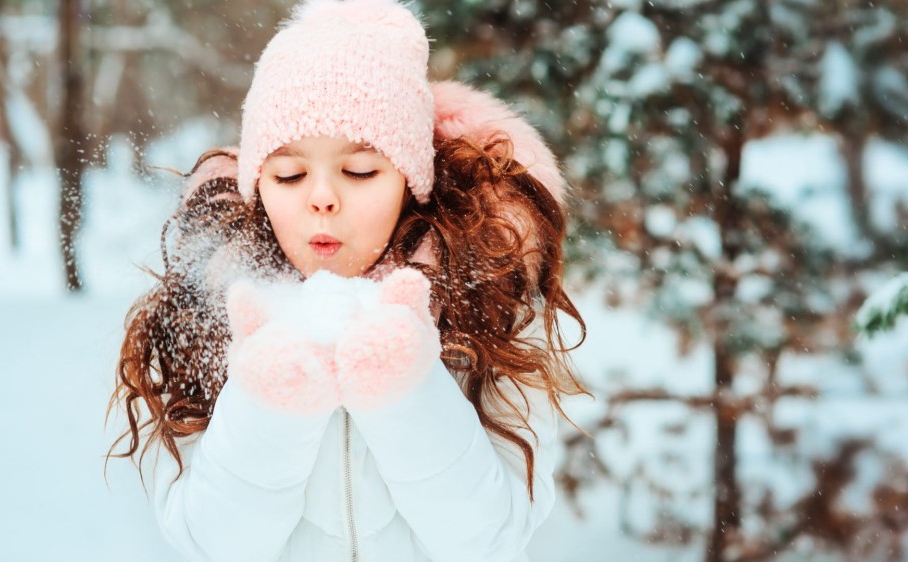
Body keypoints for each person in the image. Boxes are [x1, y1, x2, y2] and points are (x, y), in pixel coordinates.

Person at [108, 0, 587, 560]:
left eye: (359, 170)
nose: (322, 198)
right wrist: (270, 398)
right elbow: (211, 541)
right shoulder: (214, 308)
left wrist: (406, 389)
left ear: (411, 182)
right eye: (288, 174)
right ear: (256, 184)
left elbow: (492, 538)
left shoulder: (484, 306)